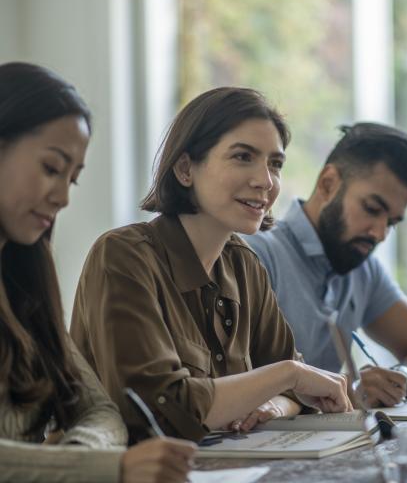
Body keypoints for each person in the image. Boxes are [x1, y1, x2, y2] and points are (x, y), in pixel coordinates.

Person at [70, 87, 352, 442]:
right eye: (242, 156)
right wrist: (287, 376)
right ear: (186, 168)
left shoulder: (244, 265)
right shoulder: (122, 256)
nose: (265, 180)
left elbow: (299, 390)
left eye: (275, 164)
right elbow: (156, 414)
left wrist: (274, 404)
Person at [0, 62, 195, 482]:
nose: (62, 198)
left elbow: (100, 412)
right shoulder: (125, 255)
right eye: (52, 168)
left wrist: (75, 460)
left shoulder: (25, 280)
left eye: (72, 179)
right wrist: (102, 468)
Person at [245, 122, 407, 407]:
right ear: (328, 184)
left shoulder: (361, 267)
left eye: (392, 222)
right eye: (372, 209)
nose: (380, 233)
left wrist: (401, 378)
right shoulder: (254, 255)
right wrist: (346, 390)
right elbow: (229, 382)